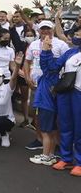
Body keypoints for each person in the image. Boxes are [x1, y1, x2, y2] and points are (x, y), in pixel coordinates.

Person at [40, 28, 81, 176]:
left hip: (79, 93)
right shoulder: (70, 53)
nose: (75, 37)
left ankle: (80, 161)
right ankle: (66, 158)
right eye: (75, 35)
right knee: (65, 126)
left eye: (78, 35)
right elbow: (51, 68)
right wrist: (46, 52)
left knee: (79, 128)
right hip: (66, 92)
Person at [24, 20, 70, 151]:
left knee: (56, 115)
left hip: (54, 86)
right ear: (38, 31)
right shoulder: (33, 44)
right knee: (37, 114)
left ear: (53, 29)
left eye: (48, 29)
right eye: (42, 29)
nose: (45, 31)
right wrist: (27, 78)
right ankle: (39, 139)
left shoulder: (61, 44)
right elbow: (27, 62)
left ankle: (56, 143)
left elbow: (67, 63)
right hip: (36, 85)